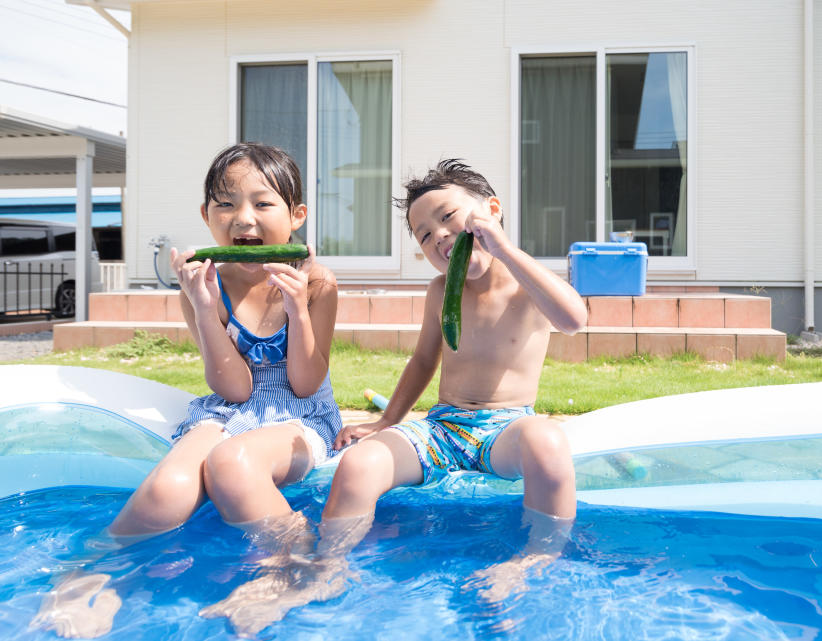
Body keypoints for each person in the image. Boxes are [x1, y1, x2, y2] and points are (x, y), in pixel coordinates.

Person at [205, 158, 588, 635]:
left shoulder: (529, 282)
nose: (439, 236)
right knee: (360, 464)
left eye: (447, 218)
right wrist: (385, 422)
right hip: (444, 427)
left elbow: (574, 318)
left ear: (491, 210)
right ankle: (327, 567)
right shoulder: (438, 291)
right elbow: (424, 362)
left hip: (506, 427)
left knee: (548, 443)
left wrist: (506, 250)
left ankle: (533, 561)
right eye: (424, 235)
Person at [31, 142, 343, 638]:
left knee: (233, 466)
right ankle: (94, 573)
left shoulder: (317, 282)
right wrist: (201, 306)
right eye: (226, 203)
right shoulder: (206, 285)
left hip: (300, 414)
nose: (244, 218)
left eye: (263, 204)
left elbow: (306, 384)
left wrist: (299, 308)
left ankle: (296, 568)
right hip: (229, 406)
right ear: (206, 215)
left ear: (296, 216)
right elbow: (234, 389)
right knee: (165, 488)